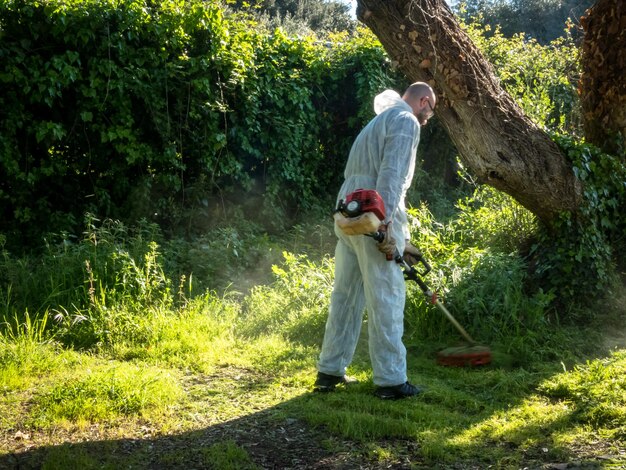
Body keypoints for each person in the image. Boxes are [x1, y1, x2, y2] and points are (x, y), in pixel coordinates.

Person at [315, 82, 437, 399]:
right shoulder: (406, 121)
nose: (428, 117)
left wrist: (404, 240)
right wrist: (386, 229)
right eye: (430, 110)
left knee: (346, 296)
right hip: (372, 218)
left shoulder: (376, 122)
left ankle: (329, 371)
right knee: (386, 296)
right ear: (423, 101)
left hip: (347, 216)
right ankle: (391, 380)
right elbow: (392, 178)